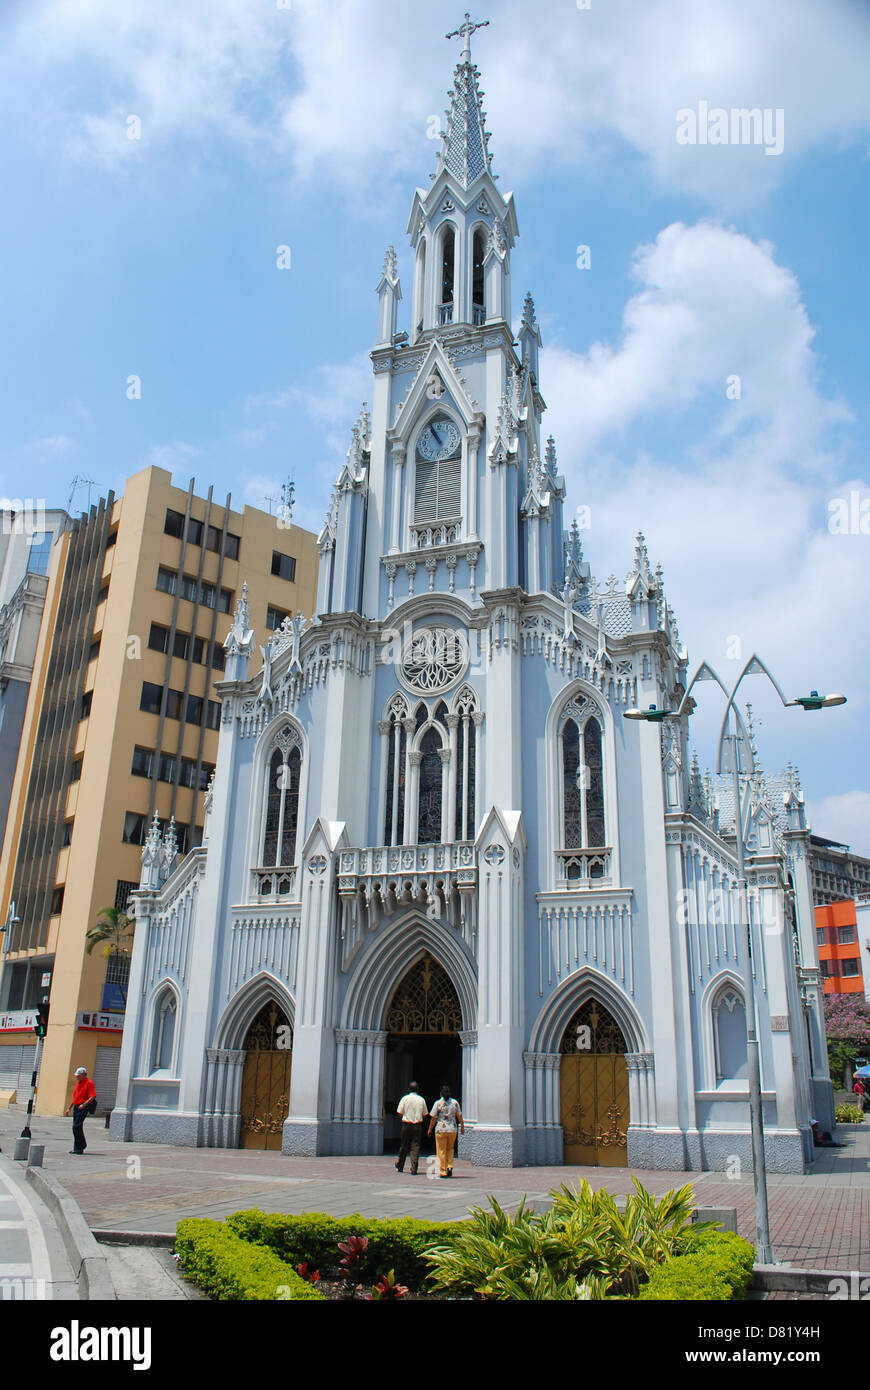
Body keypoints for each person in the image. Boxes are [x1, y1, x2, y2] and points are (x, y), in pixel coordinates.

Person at [428, 1083, 464, 1179]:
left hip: (441, 1129)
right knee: (450, 1148)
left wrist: (430, 1128)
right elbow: (459, 1116)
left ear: (441, 1094)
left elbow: (433, 1118)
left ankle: (443, 1170)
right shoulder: (455, 1103)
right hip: (452, 1129)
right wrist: (462, 1126)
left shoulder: (438, 1103)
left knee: (441, 1150)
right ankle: (449, 1166)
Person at [394, 1081, 428, 1175]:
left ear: (409, 1089)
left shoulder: (405, 1098)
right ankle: (414, 1168)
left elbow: (400, 1112)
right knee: (415, 1147)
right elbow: (425, 1114)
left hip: (406, 1124)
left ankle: (400, 1165)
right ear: (418, 1089)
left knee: (403, 1145)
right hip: (417, 1125)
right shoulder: (421, 1100)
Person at [65, 1066, 96, 1155]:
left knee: (76, 1126)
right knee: (76, 1127)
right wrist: (69, 1108)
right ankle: (78, 1148)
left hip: (83, 1107)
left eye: (79, 1075)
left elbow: (92, 1096)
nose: (77, 1077)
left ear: (84, 1075)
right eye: (77, 1076)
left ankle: (80, 1146)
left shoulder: (89, 1083)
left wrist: (84, 1104)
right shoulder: (78, 1083)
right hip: (77, 1107)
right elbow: (75, 1097)